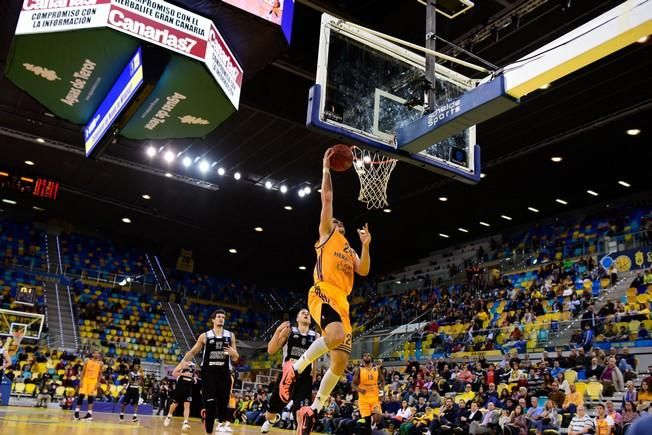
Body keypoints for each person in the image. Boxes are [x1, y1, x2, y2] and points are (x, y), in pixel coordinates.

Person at [277, 148, 372, 435]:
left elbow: (364, 270)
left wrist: (366, 245)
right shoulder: (326, 234)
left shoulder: (348, 247)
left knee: (340, 363)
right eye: (335, 220)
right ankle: (295, 368)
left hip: (342, 301)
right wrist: (326, 169)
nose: (336, 221)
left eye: (339, 222)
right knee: (334, 337)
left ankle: (312, 410)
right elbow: (327, 198)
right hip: (323, 291)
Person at [183, 309, 239, 434]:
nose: (221, 319)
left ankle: (221, 423)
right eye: (218, 316)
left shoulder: (230, 336)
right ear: (213, 320)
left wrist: (233, 353)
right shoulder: (205, 336)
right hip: (209, 372)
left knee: (224, 401)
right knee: (211, 402)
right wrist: (182, 363)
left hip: (224, 373)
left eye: (223, 317)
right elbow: (192, 352)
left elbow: (235, 358)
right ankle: (209, 430)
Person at [262, 309, 319, 433]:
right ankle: (272, 420)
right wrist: (277, 331)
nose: (306, 314)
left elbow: (315, 358)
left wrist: (314, 373)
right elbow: (271, 351)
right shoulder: (289, 332)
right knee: (269, 414)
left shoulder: (315, 336)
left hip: (305, 378)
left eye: (308, 313)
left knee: (302, 415)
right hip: (287, 376)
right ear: (297, 319)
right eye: (303, 313)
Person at [352, 352, 384, 435]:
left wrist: (382, 392)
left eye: (368, 355)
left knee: (378, 418)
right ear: (363, 358)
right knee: (367, 423)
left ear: (371, 357)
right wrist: (359, 390)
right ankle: (370, 428)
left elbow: (383, 380)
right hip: (364, 400)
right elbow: (353, 384)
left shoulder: (377, 368)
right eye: (365, 356)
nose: (367, 357)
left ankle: (374, 426)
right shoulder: (359, 370)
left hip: (374, 398)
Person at [165, 360, 197, 431]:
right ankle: (169, 416)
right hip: (180, 385)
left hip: (188, 387)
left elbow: (192, 374)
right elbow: (174, 373)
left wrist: (194, 378)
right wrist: (183, 374)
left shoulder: (193, 365)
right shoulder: (182, 363)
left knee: (187, 405)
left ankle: (185, 423)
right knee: (175, 403)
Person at [73, 351, 104, 421]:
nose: (96, 354)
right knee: (81, 395)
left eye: (98, 353)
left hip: (93, 381)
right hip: (85, 379)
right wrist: (80, 381)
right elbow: (83, 371)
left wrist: (97, 383)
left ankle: (89, 414)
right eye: (95, 353)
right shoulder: (87, 360)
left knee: (90, 397)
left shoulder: (101, 363)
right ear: (92, 354)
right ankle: (76, 412)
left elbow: (100, 374)